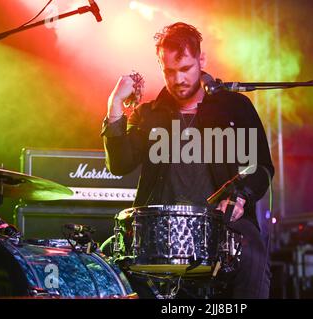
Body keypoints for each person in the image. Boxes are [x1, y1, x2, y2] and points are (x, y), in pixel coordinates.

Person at [101, 22, 274, 299]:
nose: (178, 79)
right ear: (161, 66)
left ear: (201, 60)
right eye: (170, 71)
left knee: (253, 258)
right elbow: (119, 164)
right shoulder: (148, 115)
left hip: (223, 224)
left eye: (185, 69)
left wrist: (240, 197)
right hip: (160, 229)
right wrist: (115, 107)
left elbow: (261, 168)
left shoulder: (235, 107)